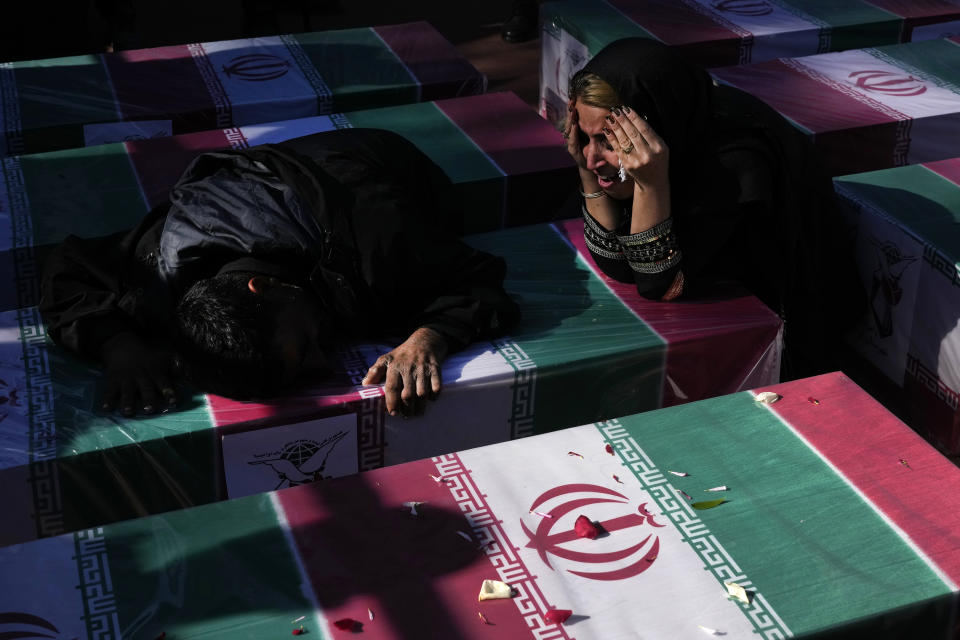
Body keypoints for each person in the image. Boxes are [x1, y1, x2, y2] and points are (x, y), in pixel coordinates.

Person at [40, 128, 520, 417]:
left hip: (378, 164)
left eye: (308, 345)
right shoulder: (161, 264)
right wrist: (118, 344)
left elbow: (476, 278)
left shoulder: (380, 240)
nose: (329, 364)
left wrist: (430, 336)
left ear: (266, 286)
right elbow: (68, 268)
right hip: (266, 189)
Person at [563, 38, 862, 378]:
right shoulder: (675, 127)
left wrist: (652, 184)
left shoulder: (734, 164)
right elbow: (616, 267)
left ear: (653, 125)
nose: (591, 156)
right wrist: (587, 176)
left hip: (785, 336)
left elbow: (658, 285)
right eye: (586, 138)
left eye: (606, 140)